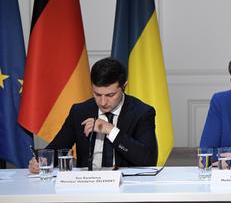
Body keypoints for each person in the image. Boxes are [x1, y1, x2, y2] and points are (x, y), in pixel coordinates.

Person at [28, 58, 157, 172]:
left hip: (125, 187)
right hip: (87, 186)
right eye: (97, 94)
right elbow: (57, 148)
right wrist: (41, 161)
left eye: (110, 95)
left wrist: (111, 130)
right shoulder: (79, 111)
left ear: (124, 87)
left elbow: (148, 160)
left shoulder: (142, 112)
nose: (103, 102)